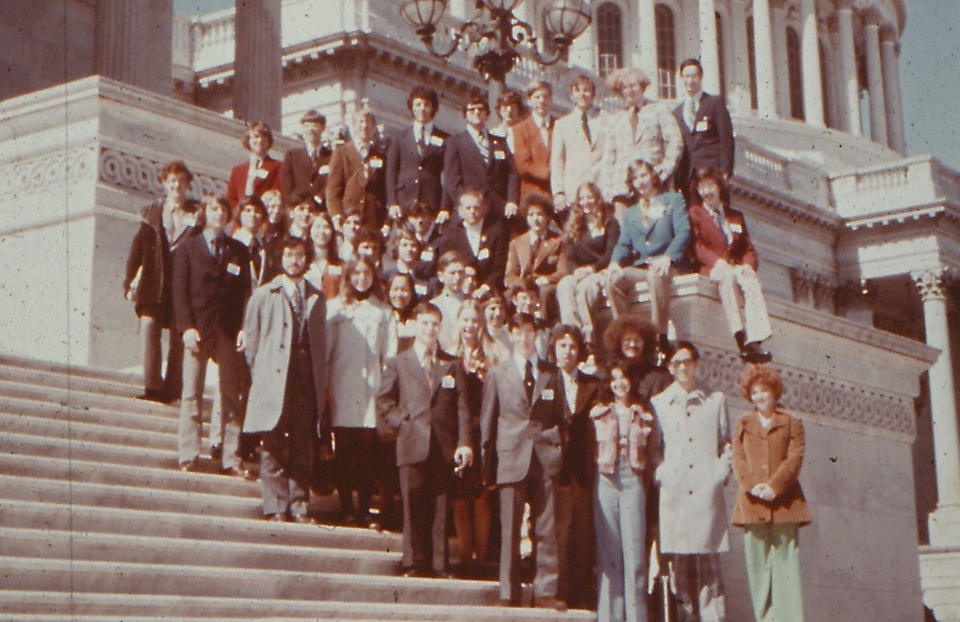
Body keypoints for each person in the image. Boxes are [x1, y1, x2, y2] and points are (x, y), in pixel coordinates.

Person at [376, 302, 474, 577]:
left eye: (435, 324)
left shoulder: (451, 364)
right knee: (413, 504)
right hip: (412, 442)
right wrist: (402, 422)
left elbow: (462, 407)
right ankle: (414, 562)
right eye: (425, 323)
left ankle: (440, 564)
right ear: (415, 325)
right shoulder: (399, 361)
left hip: (444, 445)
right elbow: (384, 399)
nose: (430, 328)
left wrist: (464, 443)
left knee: (442, 507)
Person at [480, 312, 567, 611]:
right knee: (510, 529)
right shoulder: (498, 372)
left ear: (536, 335)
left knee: (545, 527)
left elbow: (561, 416)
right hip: (511, 455)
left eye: (530, 332)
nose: (525, 338)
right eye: (519, 333)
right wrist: (488, 465)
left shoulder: (551, 373)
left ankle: (545, 591)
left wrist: (557, 447)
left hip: (544, 456)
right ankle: (508, 592)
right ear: (512, 336)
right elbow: (488, 422)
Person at [242, 236, 328, 524]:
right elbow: (252, 343)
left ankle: (300, 505)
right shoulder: (265, 294)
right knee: (274, 442)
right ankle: (276, 505)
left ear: (307, 258)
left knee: (303, 444)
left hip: (305, 377)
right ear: (281, 258)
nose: (295, 259)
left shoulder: (317, 296)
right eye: (290, 254)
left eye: (300, 254)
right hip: (274, 377)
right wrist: (262, 375)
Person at [650, 342, 731, 622]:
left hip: (706, 497)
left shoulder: (715, 399)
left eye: (687, 361)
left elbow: (726, 443)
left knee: (710, 573)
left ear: (696, 363)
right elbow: (655, 449)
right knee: (679, 574)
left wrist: (719, 474)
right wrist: (663, 474)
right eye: (676, 363)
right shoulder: (660, 403)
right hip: (676, 497)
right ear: (670, 368)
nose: (682, 368)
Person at [172, 195, 251, 476]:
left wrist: (243, 327)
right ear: (205, 213)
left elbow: (244, 293)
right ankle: (188, 453)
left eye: (224, 209)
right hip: (199, 328)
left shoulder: (239, 250)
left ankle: (231, 457)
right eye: (214, 208)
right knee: (191, 392)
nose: (219, 213)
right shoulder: (187, 248)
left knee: (231, 394)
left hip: (228, 330)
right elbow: (179, 292)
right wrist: (187, 327)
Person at [732, 365, 811, 622]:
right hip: (752, 505)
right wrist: (753, 485)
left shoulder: (791, 422)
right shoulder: (743, 423)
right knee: (758, 568)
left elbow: (795, 458)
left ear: (774, 391)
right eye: (754, 392)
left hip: (785, 505)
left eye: (764, 390)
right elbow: (738, 458)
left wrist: (774, 487)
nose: (759, 396)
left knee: (786, 566)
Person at [325, 256, 395, 527]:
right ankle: (346, 508)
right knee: (343, 449)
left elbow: (389, 353)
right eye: (357, 273)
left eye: (367, 273)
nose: (362, 278)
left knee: (366, 452)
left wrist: (385, 388)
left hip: (371, 388)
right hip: (342, 384)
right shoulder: (337, 308)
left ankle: (364, 509)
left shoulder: (383, 312)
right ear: (349, 276)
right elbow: (328, 348)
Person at [123, 160, 196, 404]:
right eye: (172, 181)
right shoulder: (151, 213)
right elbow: (137, 249)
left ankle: (172, 388)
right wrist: (128, 283)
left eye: (181, 181)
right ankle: (152, 386)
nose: (176, 185)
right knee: (149, 329)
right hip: (155, 283)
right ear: (165, 183)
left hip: (183, 285)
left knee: (178, 336)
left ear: (188, 184)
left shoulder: (198, 214)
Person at [590, 362, 657, 622]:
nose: (619, 383)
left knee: (636, 558)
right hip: (606, 481)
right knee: (609, 557)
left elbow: (651, 451)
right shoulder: (598, 412)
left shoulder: (643, 413)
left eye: (624, 378)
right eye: (614, 378)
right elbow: (588, 450)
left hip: (632, 481)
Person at [605, 159, 690, 357]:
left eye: (643, 175)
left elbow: (684, 232)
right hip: (642, 266)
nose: (640, 181)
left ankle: (658, 336)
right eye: (635, 178)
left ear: (652, 176)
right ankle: (625, 332)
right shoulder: (632, 213)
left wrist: (668, 257)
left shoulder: (673, 200)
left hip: (667, 264)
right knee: (613, 280)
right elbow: (624, 243)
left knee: (655, 274)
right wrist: (614, 263)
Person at [450, 300, 510, 578]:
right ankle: (465, 557)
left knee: (482, 496)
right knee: (460, 497)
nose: (470, 325)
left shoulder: (495, 352)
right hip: (458, 432)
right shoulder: (449, 351)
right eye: (466, 319)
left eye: (475, 320)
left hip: (485, 432)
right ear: (458, 321)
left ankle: (481, 556)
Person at [688, 168, 772, 363]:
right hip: (713, 267)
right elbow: (697, 246)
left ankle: (756, 338)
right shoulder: (696, 214)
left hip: (735, 267)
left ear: (719, 186)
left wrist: (747, 265)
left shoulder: (735, 216)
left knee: (750, 280)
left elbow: (748, 248)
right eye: (701, 187)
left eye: (709, 186)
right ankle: (740, 337)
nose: (706, 191)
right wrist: (717, 262)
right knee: (727, 277)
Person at [550, 324, 602, 609]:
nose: (568, 351)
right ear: (554, 349)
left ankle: (580, 592)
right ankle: (558, 589)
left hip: (582, 470)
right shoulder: (545, 380)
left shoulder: (592, 385)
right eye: (562, 345)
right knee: (557, 530)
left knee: (582, 531)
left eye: (572, 346)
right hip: (555, 470)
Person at [601, 68, 684, 206]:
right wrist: (607, 188)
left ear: (642, 86)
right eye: (625, 87)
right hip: (622, 188)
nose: (629, 90)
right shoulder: (616, 119)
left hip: (653, 185)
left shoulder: (658, 109)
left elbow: (675, 142)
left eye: (633, 85)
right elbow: (609, 157)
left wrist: (663, 171)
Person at [555, 181, 620, 344]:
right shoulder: (575, 225)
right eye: (582, 198)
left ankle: (588, 339)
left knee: (586, 289)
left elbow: (611, 253)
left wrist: (591, 269)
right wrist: (576, 271)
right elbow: (569, 257)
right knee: (565, 285)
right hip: (579, 272)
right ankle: (572, 336)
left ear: (597, 198)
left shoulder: (610, 223)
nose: (586, 202)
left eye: (590, 197)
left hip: (599, 271)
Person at [442, 94, 520, 224]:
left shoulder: (499, 142)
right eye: (472, 109)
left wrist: (511, 200)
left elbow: (512, 173)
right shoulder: (455, 142)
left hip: (498, 210)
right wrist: (465, 205)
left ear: (487, 114)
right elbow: (452, 179)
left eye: (481, 109)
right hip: (471, 212)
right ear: (465, 115)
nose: (477, 112)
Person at [672, 59, 735, 200]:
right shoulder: (677, 112)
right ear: (681, 78)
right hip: (688, 177)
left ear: (700, 77)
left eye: (694, 76)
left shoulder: (714, 103)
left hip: (712, 173)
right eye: (686, 76)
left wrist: (725, 172)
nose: (690, 80)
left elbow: (726, 139)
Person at [386, 86, 448, 219]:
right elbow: (391, 172)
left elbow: (448, 175)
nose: (422, 108)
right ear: (412, 108)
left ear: (433, 108)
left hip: (432, 204)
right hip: (404, 202)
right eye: (418, 104)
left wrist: (445, 207)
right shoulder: (399, 137)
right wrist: (392, 202)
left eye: (426, 104)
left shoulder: (445, 139)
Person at [432, 190, 509, 295]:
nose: (472, 211)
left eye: (476, 207)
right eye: (468, 208)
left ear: (484, 208)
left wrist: (485, 288)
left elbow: (499, 267)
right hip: (458, 290)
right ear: (460, 211)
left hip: (488, 291)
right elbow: (446, 265)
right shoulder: (450, 234)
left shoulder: (496, 233)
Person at [504, 192, 566, 318]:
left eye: (540, 215)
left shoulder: (558, 241)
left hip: (545, 286)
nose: (535, 219)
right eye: (531, 215)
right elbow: (510, 274)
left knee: (544, 292)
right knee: (507, 296)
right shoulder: (516, 243)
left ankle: (542, 327)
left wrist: (546, 280)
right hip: (524, 285)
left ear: (547, 218)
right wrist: (521, 284)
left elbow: (563, 271)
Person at [552, 75, 606, 217]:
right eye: (578, 90)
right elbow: (557, 161)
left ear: (593, 94)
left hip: (601, 189)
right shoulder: (562, 124)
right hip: (574, 192)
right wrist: (558, 192)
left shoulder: (605, 120)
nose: (583, 94)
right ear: (571, 94)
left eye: (587, 90)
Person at [326, 107, 388, 229]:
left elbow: (384, 192)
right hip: (348, 218)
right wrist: (337, 215)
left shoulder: (380, 156)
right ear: (354, 125)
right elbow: (333, 188)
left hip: (372, 220)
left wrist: (386, 222)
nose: (364, 126)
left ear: (374, 127)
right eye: (361, 121)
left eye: (368, 122)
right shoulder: (342, 152)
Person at [601, 315, 672, 403]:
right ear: (618, 342)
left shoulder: (660, 377)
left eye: (637, 340)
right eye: (627, 339)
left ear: (646, 343)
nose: (632, 344)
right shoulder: (608, 376)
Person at [512, 80, 555, 199]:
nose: (542, 101)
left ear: (551, 99)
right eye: (537, 97)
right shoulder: (520, 129)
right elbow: (523, 164)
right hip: (532, 194)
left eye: (545, 96)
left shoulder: (559, 126)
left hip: (555, 195)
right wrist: (548, 173)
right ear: (529, 101)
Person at [281, 109, 332, 208]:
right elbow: (287, 188)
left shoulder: (332, 156)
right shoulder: (292, 156)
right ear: (302, 129)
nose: (311, 129)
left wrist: (318, 199)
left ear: (323, 128)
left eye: (315, 125)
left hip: (322, 211)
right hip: (299, 209)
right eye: (307, 126)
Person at [226, 121, 282, 208]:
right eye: (256, 136)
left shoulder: (278, 167)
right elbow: (231, 200)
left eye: (264, 137)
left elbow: (277, 195)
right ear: (248, 140)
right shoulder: (237, 170)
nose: (260, 140)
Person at [430, 251, 467, 354]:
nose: (457, 277)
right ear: (441, 276)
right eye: (452, 273)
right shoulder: (433, 305)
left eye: (461, 272)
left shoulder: (472, 303)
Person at [303, 210, 343, 300]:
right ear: (310, 231)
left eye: (326, 227)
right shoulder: (303, 262)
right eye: (317, 227)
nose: (322, 231)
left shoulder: (340, 265)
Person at [231, 195, 268, 287]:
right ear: (240, 214)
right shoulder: (231, 246)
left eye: (257, 211)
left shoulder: (269, 248)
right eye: (248, 210)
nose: (252, 215)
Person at [490, 88, 526, 153]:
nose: (509, 110)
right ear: (499, 109)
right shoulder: (493, 134)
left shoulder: (527, 134)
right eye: (505, 106)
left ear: (519, 109)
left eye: (513, 107)